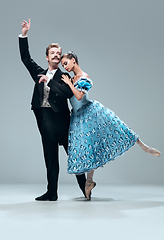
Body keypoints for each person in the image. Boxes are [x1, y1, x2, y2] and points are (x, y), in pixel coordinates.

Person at [59, 51, 161, 200]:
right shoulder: (72, 78)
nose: (65, 67)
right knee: (89, 148)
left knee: (117, 128)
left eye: (66, 63)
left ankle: (143, 146)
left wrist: (69, 84)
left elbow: (79, 96)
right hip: (77, 117)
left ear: (73, 60)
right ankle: (89, 181)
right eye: (63, 65)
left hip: (90, 112)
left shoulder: (84, 78)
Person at [19, 20, 86, 201]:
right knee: (50, 158)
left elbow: (65, 93)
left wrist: (49, 81)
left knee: (74, 156)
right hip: (45, 120)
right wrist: (24, 35)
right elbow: (26, 58)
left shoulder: (65, 76)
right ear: (47, 58)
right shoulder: (39, 72)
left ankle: (85, 190)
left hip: (62, 120)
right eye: (53, 53)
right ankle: (52, 192)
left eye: (58, 53)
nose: (56, 56)